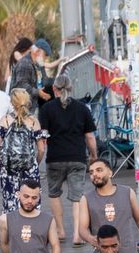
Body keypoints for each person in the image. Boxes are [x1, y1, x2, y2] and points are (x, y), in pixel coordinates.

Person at [37, 74, 98, 236]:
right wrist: (94, 156)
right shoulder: (82, 108)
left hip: (55, 158)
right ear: (70, 89)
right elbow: (90, 137)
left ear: (54, 89)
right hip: (77, 157)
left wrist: (39, 157)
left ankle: (61, 230)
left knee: (54, 193)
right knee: (77, 196)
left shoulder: (46, 109)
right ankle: (78, 234)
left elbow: (42, 138)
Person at [76, 157, 139, 251]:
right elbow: (82, 228)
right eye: (91, 172)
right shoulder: (86, 199)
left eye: (99, 170)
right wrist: (90, 239)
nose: (94, 174)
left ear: (110, 173)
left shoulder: (128, 192)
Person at [0, 87, 45, 228]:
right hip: (29, 167)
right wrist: (36, 163)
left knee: (10, 199)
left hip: (8, 168)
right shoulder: (33, 121)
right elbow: (41, 148)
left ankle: (11, 231)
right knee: (31, 198)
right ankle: (33, 230)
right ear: (27, 102)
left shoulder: (5, 120)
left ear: (12, 102)